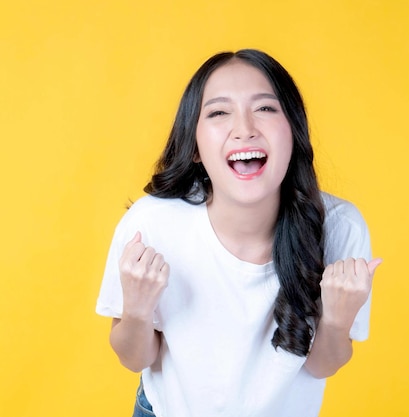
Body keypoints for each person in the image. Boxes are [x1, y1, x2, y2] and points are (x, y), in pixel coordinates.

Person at [96, 48, 382, 417]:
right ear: (195, 146)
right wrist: (135, 310)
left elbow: (321, 365)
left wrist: (337, 321)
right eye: (218, 112)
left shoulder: (340, 227)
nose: (244, 129)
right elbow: (135, 358)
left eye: (265, 108)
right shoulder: (151, 224)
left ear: (293, 130)